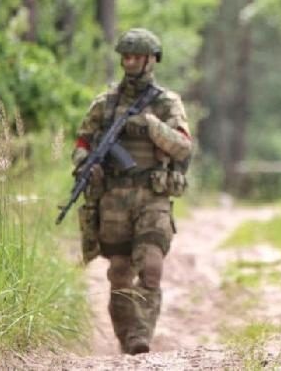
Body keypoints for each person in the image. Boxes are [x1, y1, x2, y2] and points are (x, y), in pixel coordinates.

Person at [71, 28, 192, 354]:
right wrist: (85, 164)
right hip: (114, 199)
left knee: (151, 267)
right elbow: (82, 142)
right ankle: (128, 338)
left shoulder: (166, 103)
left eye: (136, 56)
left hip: (152, 196)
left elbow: (183, 146)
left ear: (151, 60)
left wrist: (151, 125)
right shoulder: (105, 104)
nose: (129, 62)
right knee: (119, 272)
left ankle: (141, 333)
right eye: (125, 56)